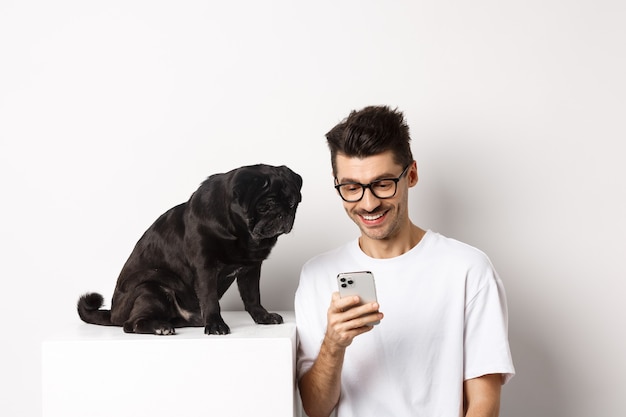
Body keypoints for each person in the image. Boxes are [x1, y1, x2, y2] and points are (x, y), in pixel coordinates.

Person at [294, 105, 515, 417]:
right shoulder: (317, 275)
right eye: (352, 188)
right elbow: (314, 409)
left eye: (383, 183)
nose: (368, 203)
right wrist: (334, 344)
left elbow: (484, 404)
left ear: (411, 174)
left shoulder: (468, 269)